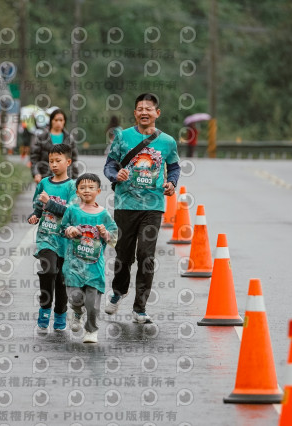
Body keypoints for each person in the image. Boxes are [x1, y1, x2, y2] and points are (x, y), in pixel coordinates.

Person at [103, 93, 181, 323]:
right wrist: (116, 174)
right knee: (123, 256)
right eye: (140, 109)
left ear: (158, 113)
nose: (144, 112)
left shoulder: (167, 141)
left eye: (149, 108)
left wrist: (171, 183)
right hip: (125, 205)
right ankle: (119, 291)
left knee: (146, 255)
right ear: (135, 113)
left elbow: (174, 167)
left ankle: (140, 308)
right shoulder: (122, 137)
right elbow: (109, 165)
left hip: (153, 207)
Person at [60, 173, 118, 343]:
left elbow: (114, 236)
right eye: (82, 188)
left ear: (98, 191)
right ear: (77, 191)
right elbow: (62, 227)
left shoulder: (104, 214)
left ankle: (91, 330)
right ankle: (77, 312)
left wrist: (104, 233)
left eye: (91, 187)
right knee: (75, 298)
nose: (87, 191)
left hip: (94, 267)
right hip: (73, 266)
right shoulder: (72, 210)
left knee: (92, 304)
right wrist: (69, 229)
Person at [28, 144, 77, 331]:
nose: (54, 165)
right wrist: (35, 215)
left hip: (66, 241)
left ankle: (60, 312)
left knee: (62, 279)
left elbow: (71, 213)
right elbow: (38, 205)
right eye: (51, 161)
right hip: (46, 238)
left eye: (58, 161)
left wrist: (50, 204)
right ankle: (45, 307)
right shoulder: (44, 184)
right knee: (49, 271)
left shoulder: (72, 187)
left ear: (68, 162)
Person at [30, 109, 79, 183]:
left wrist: (75, 178)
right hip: (45, 178)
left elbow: (74, 159)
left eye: (61, 120)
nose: (58, 123)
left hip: (65, 179)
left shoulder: (69, 139)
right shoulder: (42, 137)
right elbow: (34, 159)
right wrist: (36, 173)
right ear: (51, 121)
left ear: (64, 121)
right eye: (56, 120)